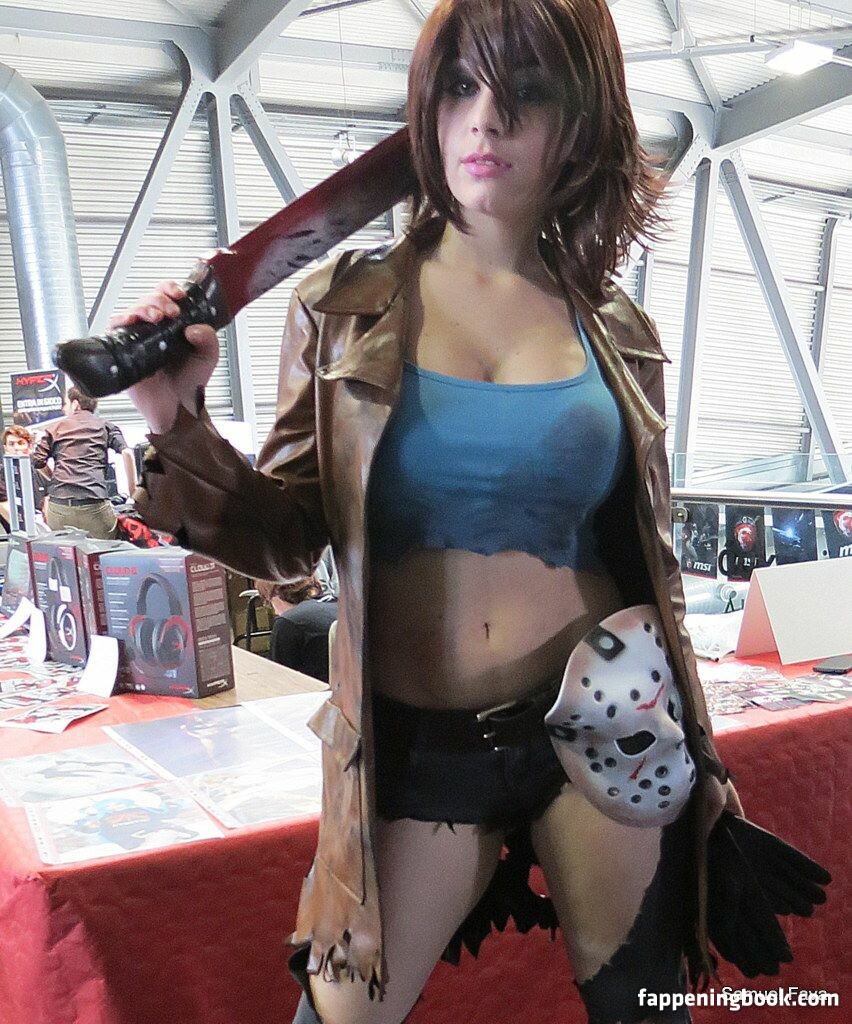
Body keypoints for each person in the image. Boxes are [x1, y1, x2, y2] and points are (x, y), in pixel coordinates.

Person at [113, 4, 826, 1023]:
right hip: (417, 751)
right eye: (461, 86)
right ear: (428, 109)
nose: (486, 119)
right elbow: (288, 543)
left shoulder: (617, 329)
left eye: (525, 91)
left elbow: (651, 561)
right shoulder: (342, 308)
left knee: (646, 1011)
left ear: (579, 122)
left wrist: (703, 755)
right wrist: (172, 419)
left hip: (604, 726)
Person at [32, 386, 136, 539]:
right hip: (93, 505)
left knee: (66, 550)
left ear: (75, 404)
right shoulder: (105, 426)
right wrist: (133, 491)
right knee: (109, 547)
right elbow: (127, 452)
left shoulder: (55, 428)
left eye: (65, 404)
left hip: (59, 506)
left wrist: (55, 478)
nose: (63, 409)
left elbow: (37, 461)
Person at [257, 572, 339, 683]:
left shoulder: (288, 623)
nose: (275, 612)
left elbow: (279, 679)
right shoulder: (341, 606)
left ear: (276, 593)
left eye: (269, 602)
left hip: (313, 690)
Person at [0, 425, 49, 529]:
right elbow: (3, 505)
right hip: (18, 525)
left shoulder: (41, 468)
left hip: (43, 523)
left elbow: (48, 496)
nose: (16, 448)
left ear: (29, 446)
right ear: (5, 448)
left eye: (20, 443)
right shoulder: (1, 474)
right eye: (11, 444)